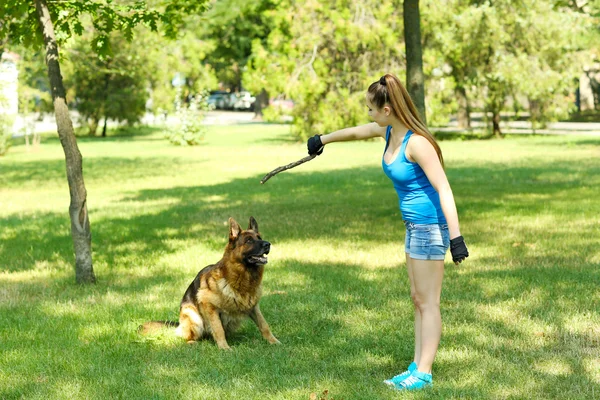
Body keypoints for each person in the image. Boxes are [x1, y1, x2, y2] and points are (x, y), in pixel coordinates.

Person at [306, 73, 469, 391]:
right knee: (417, 299)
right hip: (413, 227)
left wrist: (456, 238)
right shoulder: (391, 132)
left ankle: (423, 373)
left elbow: (444, 188)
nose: (369, 114)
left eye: (371, 109)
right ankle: (416, 366)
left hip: (430, 228)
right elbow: (358, 132)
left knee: (428, 302)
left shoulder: (417, 143)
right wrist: (322, 139)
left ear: (388, 109)